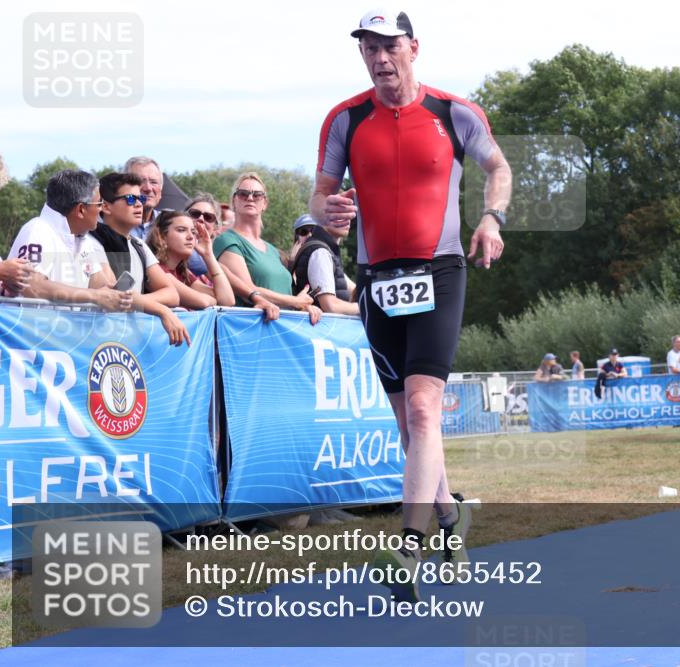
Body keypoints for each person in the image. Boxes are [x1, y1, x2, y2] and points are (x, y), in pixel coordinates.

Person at [310, 8, 511, 601]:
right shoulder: (345, 120)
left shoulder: (454, 112)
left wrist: (492, 218)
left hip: (439, 271)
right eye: (368, 47)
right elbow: (320, 196)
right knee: (407, 425)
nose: (378, 57)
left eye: (388, 45)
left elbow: (497, 166)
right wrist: (332, 212)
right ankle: (450, 515)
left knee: (425, 412)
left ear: (413, 48)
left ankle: (409, 544)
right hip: (376, 279)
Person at [83, 172, 190, 346]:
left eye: (140, 198)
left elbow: (172, 294)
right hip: (97, 341)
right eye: (131, 199)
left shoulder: (138, 245)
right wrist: (159, 309)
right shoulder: (90, 241)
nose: (140, 204)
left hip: (130, 341)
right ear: (106, 206)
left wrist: (136, 303)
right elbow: (114, 298)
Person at [7, 169, 132, 312]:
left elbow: (99, 284)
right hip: (28, 332)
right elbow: (31, 286)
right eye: (99, 203)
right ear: (80, 210)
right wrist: (95, 296)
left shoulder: (84, 239)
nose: (102, 208)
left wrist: (114, 294)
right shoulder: (37, 230)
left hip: (61, 331)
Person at [214, 171, 321, 323]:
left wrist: (302, 307)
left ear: (264, 203)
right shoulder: (226, 240)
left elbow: (287, 296)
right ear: (234, 201)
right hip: (251, 330)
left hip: (284, 330)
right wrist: (295, 302)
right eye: (243, 194)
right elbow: (247, 289)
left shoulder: (273, 251)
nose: (250, 198)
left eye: (257, 194)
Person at [147, 210, 236, 309]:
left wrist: (208, 255)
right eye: (181, 230)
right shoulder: (156, 269)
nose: (190, 237)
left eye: (193, 232)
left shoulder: (182, 271)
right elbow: (203, 302)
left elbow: (228, 300)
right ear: (162, 236)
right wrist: (214, 300)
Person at [290, 214, 359, 316]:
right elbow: (331, 306)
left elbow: (354, 289)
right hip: (322, 329)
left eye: (348, 215)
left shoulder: (326, 252)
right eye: (339, 213)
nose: (347, 218)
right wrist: (363, 307)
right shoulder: (320, 252)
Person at [184, 192, 224, 277]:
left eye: (208, 217)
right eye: (194, 213)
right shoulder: (171, 246)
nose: (200, 219)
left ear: (215, 228)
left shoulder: (217, 260)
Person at [125, 156, 164, 241]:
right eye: (140, 181)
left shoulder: (168, 224)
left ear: (160, 191)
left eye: (153, 182)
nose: (148, 188)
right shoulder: (111, 224)